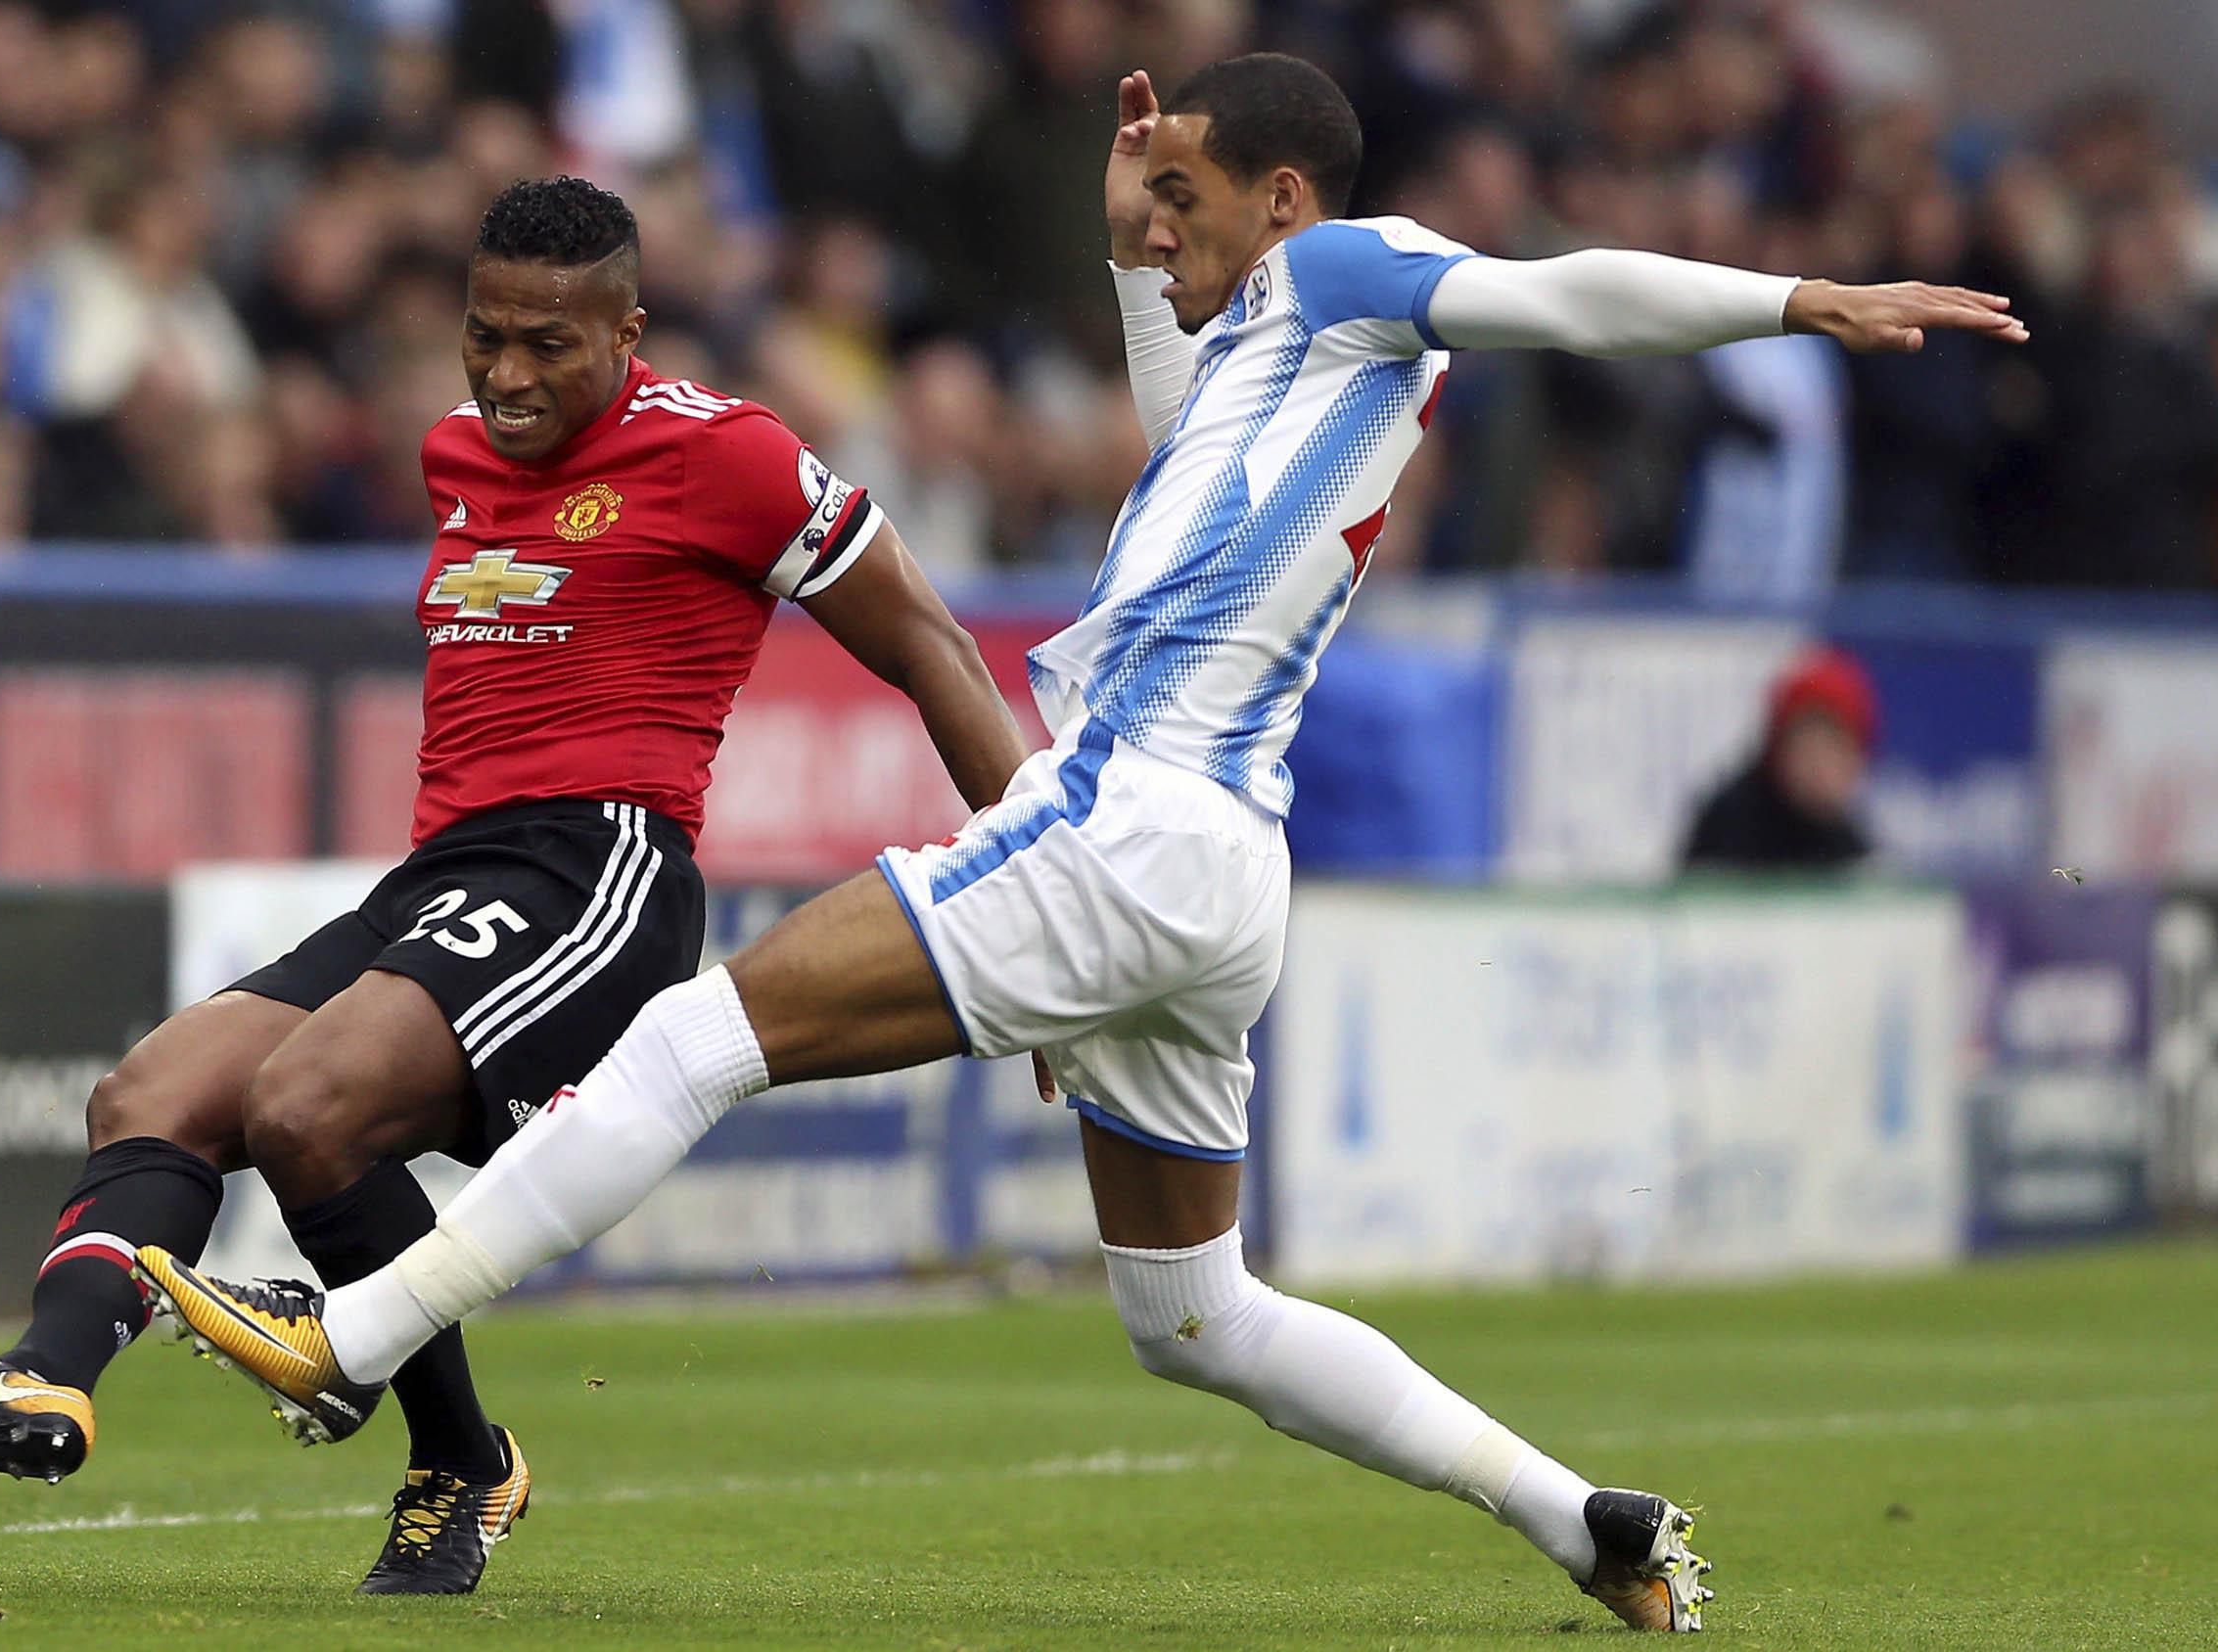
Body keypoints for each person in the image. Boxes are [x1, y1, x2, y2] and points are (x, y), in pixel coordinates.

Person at [133, 56, 2025, 1631]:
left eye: (1191, 195)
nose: (1165, 219)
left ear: (1286, 198)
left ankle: (359, 1330)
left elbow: (1561, 288)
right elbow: (1185, 427)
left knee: (697, 1035)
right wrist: (1136, 262)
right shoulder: (1286, 358)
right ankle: (1578, 1516)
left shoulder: (1359, 266)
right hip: (1210, 873)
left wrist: (1795, 301)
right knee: (1196, 1316)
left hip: (1135, 824)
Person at [0, 176, 1030, 1598]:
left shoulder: (731, 456)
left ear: (627, 331)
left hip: (601, 872)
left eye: (548, 345)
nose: (506, 375)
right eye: (483, 335)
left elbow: (935, 643)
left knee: (307, 1108)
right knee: (151, 1097)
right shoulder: (457, 449)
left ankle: (440, 1446)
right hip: (445, 875)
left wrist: (1029, 887)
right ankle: (50, 1384)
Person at [1683, 646, 1880, 872]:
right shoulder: (1732, 824)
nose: (1818, 766)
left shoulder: (1847, 843)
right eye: (1808, 746)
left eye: (1834, 750)